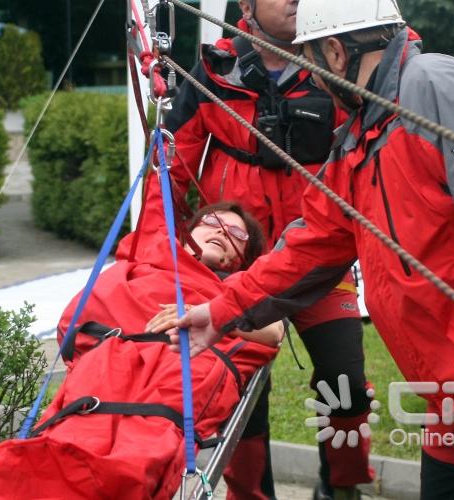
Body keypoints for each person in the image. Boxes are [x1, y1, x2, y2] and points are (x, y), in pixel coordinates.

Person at [171, 1, 454, 498]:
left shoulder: (434, 87)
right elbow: (311, 245)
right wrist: (222, 310)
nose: (314, 79)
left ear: (335, 52)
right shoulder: (360, 134)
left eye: (310, 61)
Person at [155, 0, 375, 497]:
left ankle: (342, 487)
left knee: (345, 380)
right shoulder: (215, 70)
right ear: (247, 5)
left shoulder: (336, 64)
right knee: (238, 388)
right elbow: (170, 169)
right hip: (235, 262)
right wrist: (164, 249)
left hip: (319, 257)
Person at [0, 201, 284, 499]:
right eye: (212, 221)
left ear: (242, 257)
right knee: (72, 435)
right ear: (188, 234)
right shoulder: (145, 265)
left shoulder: (240, 287)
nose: (221, 231)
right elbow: (83, 318)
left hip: (182, 359)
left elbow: (274, 332)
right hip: (113, 356)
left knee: (138, 455)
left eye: (237, 233)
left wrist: (210, 314)